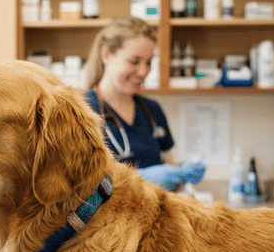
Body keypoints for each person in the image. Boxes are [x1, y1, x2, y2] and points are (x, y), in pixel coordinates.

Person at [82, 17, 204, 189]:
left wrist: (181, 175)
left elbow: (172, 180)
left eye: (148, 62)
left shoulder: (152, 110)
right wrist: (141, 179)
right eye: (134, 61)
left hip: (155, 212)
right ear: (106, 55)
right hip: (110, 215)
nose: (143, 71)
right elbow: (77, 188)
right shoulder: (82, 111)